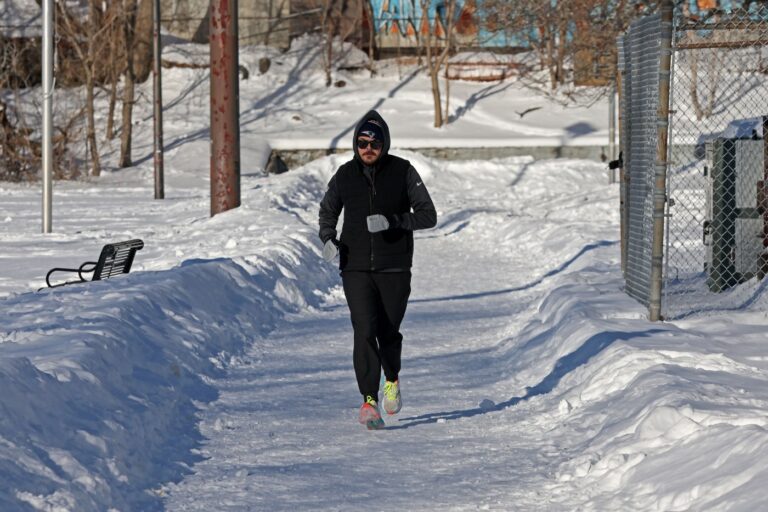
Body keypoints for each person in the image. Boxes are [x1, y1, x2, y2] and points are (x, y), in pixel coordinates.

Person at [318, 110, 437, 430]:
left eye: (375, 143)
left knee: (388, 331)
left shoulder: (403, 171)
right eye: (362, 143)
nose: (368, 148)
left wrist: (394, 221)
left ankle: (392, 379)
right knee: (364, 329)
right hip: (355, 267)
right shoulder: (344, 175)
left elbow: (428, 215)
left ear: (385, 144)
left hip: (395, 267)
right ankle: (369, 401)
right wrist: (328, 237)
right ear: (355, 144)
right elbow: (328, 211)